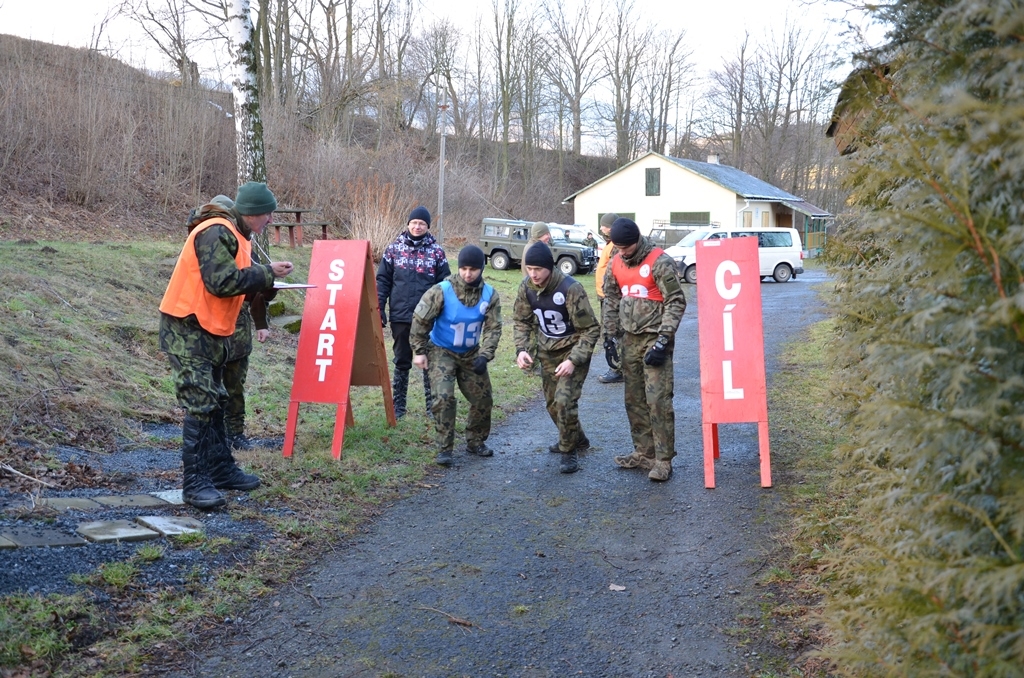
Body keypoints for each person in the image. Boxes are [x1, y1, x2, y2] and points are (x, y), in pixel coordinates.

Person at [159, 181, 293, 509]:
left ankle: (219, 468)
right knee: (201, 402)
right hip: (187, 329)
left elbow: (241, 289)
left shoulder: (239, 236)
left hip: (212, 331)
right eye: (268, 213)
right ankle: (194, 483)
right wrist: (265, 272)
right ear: (252, 213)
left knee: (217, 400)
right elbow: (221, 283)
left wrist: (268, 283)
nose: (271, 220)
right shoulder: (215, 231)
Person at [186, 195, 278, 452]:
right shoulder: (211, 239)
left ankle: (235, 434)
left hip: (237, 331)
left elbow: (254, 288)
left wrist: (263, 314)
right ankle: (215, 442)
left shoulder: (240, 241)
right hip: (208, 329)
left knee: (235, 386)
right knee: (212, 392)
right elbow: (222, 283)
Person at [602, 217, 687, 481]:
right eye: (617, 247)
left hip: (654, 340)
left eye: (626, 248)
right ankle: (644, 452)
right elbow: (611, 299)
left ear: (636, 241)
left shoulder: (659, 261)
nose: (622, 252)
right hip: (629, 339)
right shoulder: (615, 262)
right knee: (634, 400)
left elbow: (675, 301)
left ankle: (663, 460)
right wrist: (609, 336)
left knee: (657, 401)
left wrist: (663, 340)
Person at [411, 245, 503, 466]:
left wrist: (485, 355)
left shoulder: (489, 294)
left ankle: (476, 441)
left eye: (473, 269)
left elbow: (493, 328)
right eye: (463, 268)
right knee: (444, 398)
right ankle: (445, 448)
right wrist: (419, 351)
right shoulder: (441, 290)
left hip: (471, 353)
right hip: (442, 351)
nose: (467, 273)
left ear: (481, 269)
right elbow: (420, 321)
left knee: (483, 398)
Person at [513, 242, 600, 473]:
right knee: (552, 405)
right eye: (529, 268)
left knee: (564, 401)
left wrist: (573, 360)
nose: (533, 274)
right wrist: (522, 349)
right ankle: (576, 438)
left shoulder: (571, 289)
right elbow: (521, 321)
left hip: (572, 350)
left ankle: (568, 451)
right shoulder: (526, 287)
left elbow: (591, 329)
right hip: (547, 351)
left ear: (550, 268)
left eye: (538, 269)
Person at [376, 206, 450, 419]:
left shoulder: (436, 252)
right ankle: (398, 406)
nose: (417, 227)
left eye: (422, 224)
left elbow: (445, 285)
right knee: (401, 360)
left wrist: (442, 314)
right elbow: (383, 281)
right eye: (414, 223)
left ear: (428, 227)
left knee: (429, 360)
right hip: (400, 315)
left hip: (428, 318)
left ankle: (431, 406)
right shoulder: (393, 250)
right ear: (408, 224)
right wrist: (380, 308)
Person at [594, 212, 623, 384]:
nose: (601, 228)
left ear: (610, 227)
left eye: (603, 225)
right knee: (609, 331)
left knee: (612, 332)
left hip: (610, 297)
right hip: (604, 296)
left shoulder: (615, 246)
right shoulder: (610, 243)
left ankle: (617, 368)